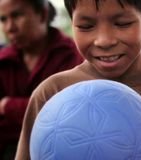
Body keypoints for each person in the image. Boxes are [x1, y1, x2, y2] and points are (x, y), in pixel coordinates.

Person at [15, 0, 141, 159]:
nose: (104, 40)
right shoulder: (51, 94)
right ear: (72, 23)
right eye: (86, 26)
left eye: (122, 23)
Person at [0, 0, 83, 159]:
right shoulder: (4, 60)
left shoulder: (70, 55)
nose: (9, 27)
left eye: (17, 15)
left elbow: (64, 116)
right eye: (3, 19)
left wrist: (8, 106)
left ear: (43, 14)